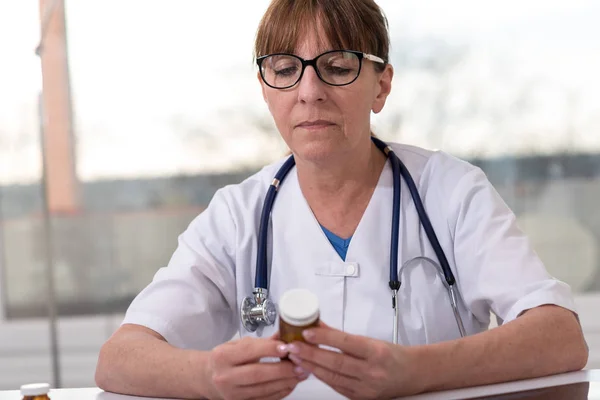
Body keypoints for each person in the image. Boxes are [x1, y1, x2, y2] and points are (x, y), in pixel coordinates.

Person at [95, 0, 589, 399]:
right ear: (266, 90)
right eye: (285, 69)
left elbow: (560, 338)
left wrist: (412, 372)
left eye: (335, 67)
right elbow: (119, 359)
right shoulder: (237, 217)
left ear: (382, 85)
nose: (309, 91)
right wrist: (206, 377)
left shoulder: (452, 192)